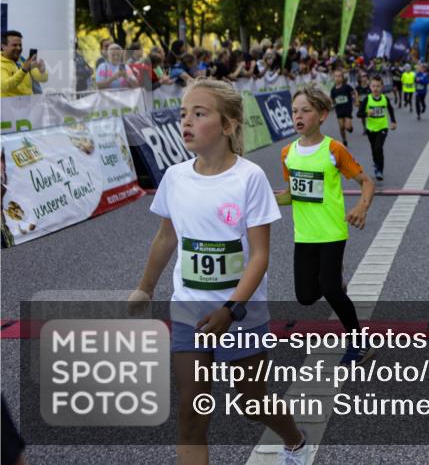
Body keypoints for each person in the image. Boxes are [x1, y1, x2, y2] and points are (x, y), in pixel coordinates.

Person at [128, 78, 314, 464]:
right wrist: (145, 288)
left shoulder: (249, 178)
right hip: (188, 310)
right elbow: (166, 237)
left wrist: (230, 310)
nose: (186, 122)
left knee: (251, 403)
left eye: (199, 114)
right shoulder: (175, 177)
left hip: (240, 313)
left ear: (228, 125)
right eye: (183, 114)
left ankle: (295, 440)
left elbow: (260, 256)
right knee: (191, 412)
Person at [277, 85, 376, 365]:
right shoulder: (287, 153)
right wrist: (263, 201)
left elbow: (366, 182)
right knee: (306, 296)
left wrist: (361, 207)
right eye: (294, 111)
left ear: (322, 115)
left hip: (332, 232)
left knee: (331, 290)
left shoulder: (334, 149)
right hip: (304, 235)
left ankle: (360, 343)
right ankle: (332, 279)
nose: (298, 116)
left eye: (305, 111)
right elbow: (291, 195)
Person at [358, 74, 396, 181]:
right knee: (374, 149)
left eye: (378, 86)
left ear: (382, 87)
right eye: (373, 86)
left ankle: (380, 170)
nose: (375, 88)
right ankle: (376, 164)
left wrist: (393, 121)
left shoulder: (385, 98)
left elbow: (390, 109)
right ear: (370, 87)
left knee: (379, 148)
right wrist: (367, 113)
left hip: (382, 127)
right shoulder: (367, 99)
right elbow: (359, 114)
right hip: (370, 129)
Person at [1, 30, 48, 98]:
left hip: (27, 102)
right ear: (3, 46)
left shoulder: (22, 60)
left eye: (20, 45)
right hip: (8, 103)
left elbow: (42, 79)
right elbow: (5, 86)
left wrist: (42, 70)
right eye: (14, 45)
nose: (18, 48)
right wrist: (23, 70)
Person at [329, 69, 356, 147]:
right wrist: (331, 104)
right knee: (341, 127)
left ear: (342, 78)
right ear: (333, 78)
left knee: (347, 127)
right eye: (336, 76)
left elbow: (354, 92)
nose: (337, 78)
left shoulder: (346, 87)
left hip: (347, 109)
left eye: (339, 76)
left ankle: (350, 128)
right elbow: (332, 99)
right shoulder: (333, 90)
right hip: (339, 110)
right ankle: (344, 140)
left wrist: (356, 101)